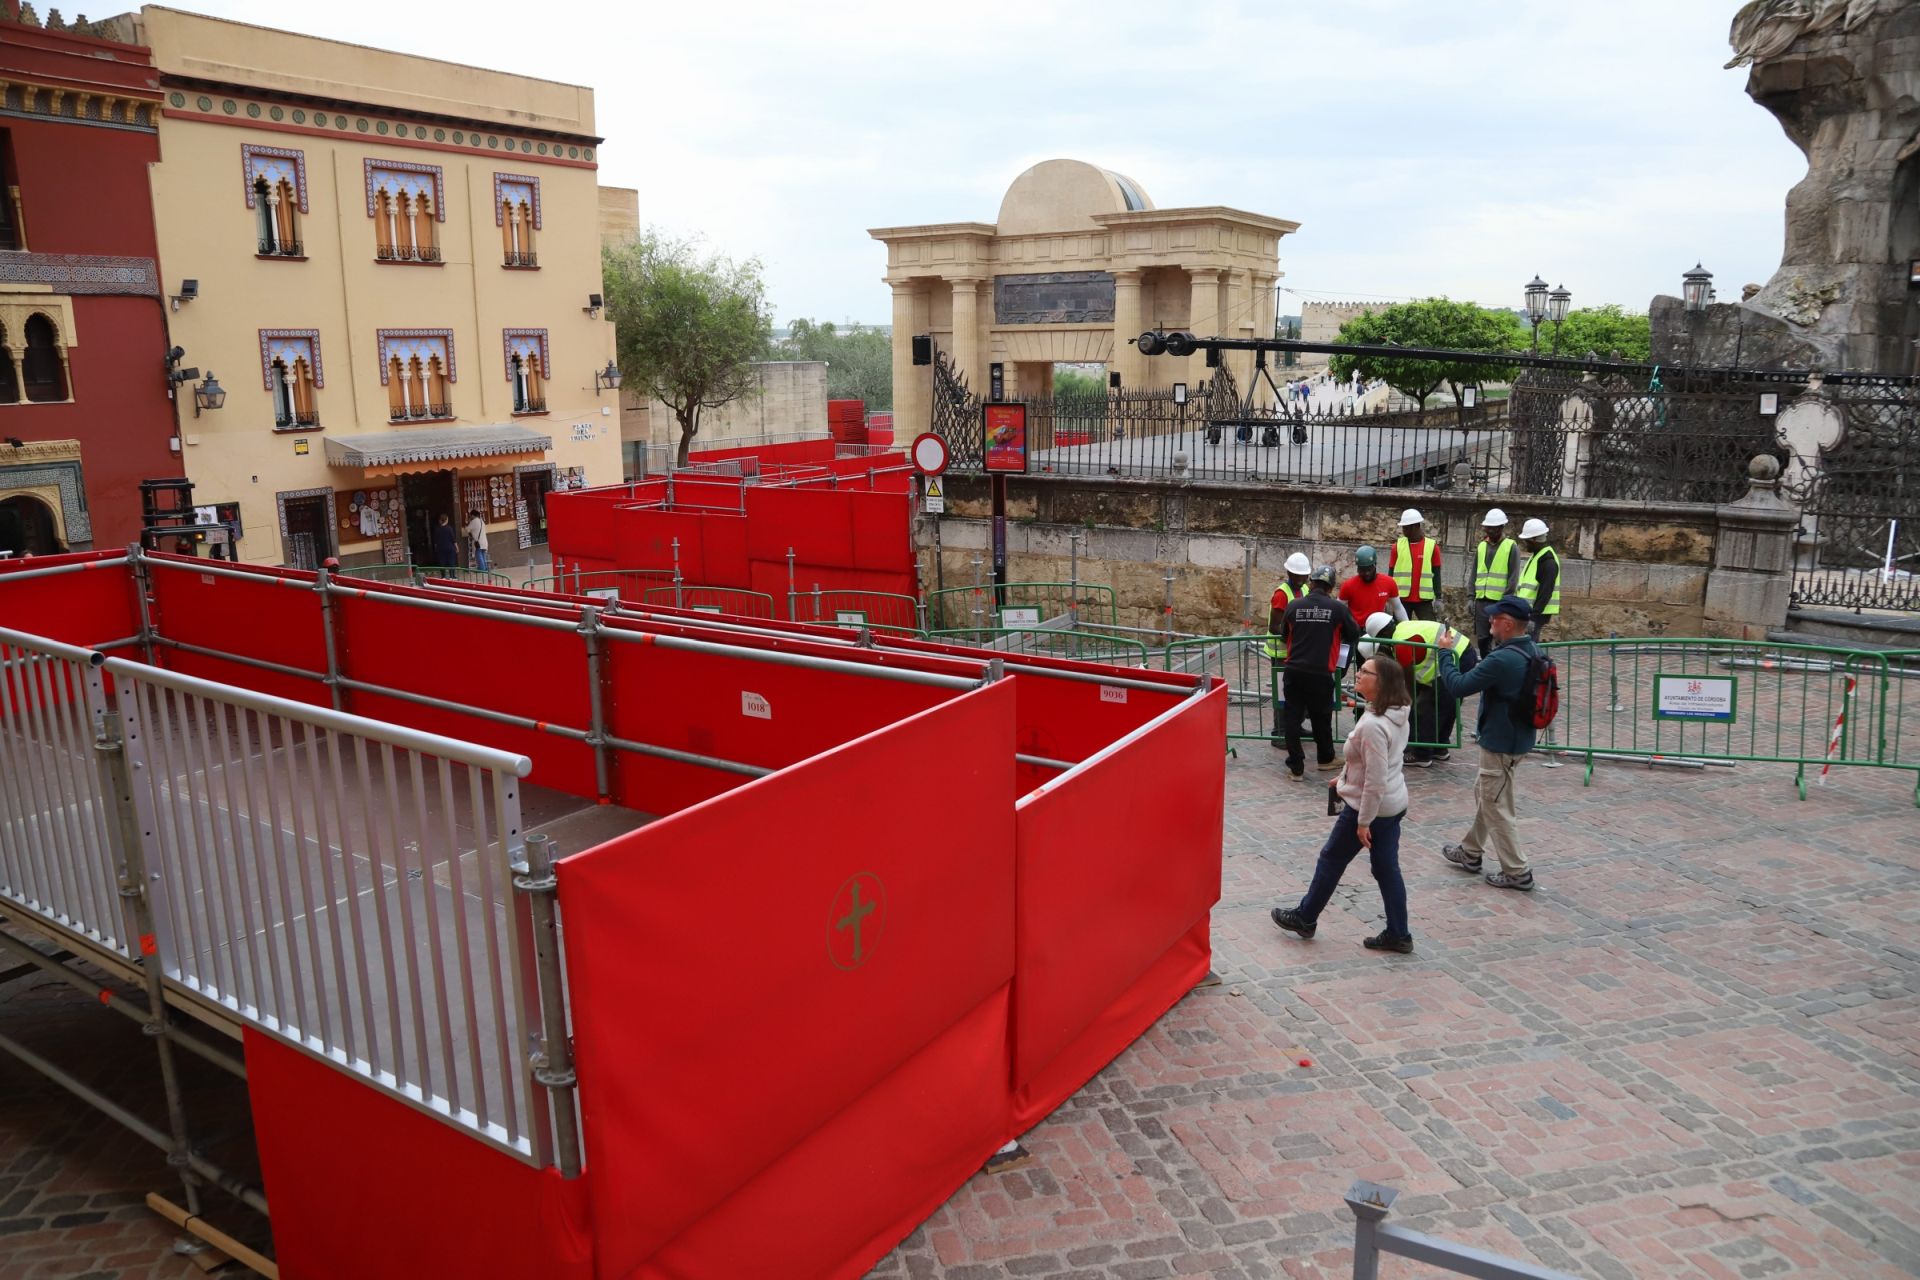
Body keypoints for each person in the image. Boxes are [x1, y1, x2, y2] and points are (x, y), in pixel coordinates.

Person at [1269, 654, 1415, 953]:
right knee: (1387, 870)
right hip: (1392, 803)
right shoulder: (1393, 711)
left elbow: (1375, 778)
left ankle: (1306, 917)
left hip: (1370, 807)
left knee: (1331, 859)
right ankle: (1399, 933)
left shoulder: (1375, 723)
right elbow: (1373, 763)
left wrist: (1363, 821)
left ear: (1382, 682)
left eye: (1366, 672)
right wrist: (1344, 777)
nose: (1358, 674)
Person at [1432, 596, 1539, 890]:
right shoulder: (1529, 649)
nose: (1489, 620)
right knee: (1487, 794)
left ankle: (1517, 871)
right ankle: (1470, 852)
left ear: (1507, 624)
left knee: (1496, 806)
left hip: (1501, 741)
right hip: (1517, 738)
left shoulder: (1502, 659)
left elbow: (1457, 687)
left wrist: (1445, 653)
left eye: (1494, 617)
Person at [1279, 564, 1361, 780]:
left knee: (1292, 718)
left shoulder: (1294, 606)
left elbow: (1283, 634)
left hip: (1294, 670)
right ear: (1330, 587)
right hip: (1321, 672)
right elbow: (1354, 634)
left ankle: (1296, 768)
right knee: (1321, 717)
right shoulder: (1338, 609)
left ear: (1311, 582)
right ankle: (1325, 759)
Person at [1363, 610, 1475, 767]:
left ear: (1382, 634)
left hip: (1457, 657)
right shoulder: (1403, 628)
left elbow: (1409, 681)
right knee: (1444, 705)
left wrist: (1408, 700)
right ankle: (1439, 748)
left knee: (1427, 707)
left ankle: (1422, 755)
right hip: (1461, 653)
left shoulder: (1402, 643)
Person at [1265, 552, 1313, 748]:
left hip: (1296, 652)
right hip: (1282, 653)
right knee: (1283, 694)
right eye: (1297, 575)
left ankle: (1297, 726)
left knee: (1298, 693)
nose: (1301, 579)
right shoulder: (1281, 594)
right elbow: (1274, 626)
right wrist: (1295, 640)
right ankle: (1279, 732)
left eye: (1304, 576)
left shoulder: (1305, 590)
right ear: (1289, 573)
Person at [1470, 508, 1520, 658]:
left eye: (1493, 528)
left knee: (1500, 639)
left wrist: (1506, 601)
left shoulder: (1511, 546)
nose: (1490, 531)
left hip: (1500, 602)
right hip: (1481, 602)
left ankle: (1498, 666)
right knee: (1482, 639)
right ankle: (1487, 663)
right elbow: (1474, 574)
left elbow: (1513, 577)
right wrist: (1470, 597)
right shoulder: (1481, 546)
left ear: (1501, 527)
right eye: (1487, 528)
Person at [1389, 508, 1441, 621]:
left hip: (1423, 601)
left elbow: (1436, 574)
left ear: (1415, 526)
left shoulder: (1432, 547)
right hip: (1402, 600)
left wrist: (1439, 597)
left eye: (1406, 527)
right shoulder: (1396, 547)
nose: (1403, 530)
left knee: (1430, 630)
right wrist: (1388, 597)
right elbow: (1391, 574)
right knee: (1400, 632)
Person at [1339, 546, 1405, 630]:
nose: (1366, 573)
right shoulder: (1348, 585)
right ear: (1357, 568)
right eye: (1362, 570)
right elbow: (1338, 609)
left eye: (1369, 569)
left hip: (1378, 629)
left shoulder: (1389, 583)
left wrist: (1406, 627)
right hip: (1356, 630)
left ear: (1375, 565)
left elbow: (1398, 608)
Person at [1515, 518, 1560, 641]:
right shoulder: (1537, 556)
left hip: (1534, 615)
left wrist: (1533, 618)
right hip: (1528, 612)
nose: (1525, 543)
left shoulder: (1547, 561)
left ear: (1534, 539)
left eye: (1526, 540)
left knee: (1529, 648)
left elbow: (1545, 592)